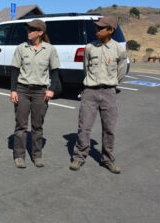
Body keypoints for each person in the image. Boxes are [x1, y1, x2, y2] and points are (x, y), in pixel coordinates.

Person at [69, 16, 127, 174]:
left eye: (100, 28)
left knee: (109, 129)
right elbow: (85, 68)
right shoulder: (89, 47)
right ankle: (79, 157)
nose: (97, 31)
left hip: (109, 92)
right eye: (96, 28)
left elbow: (121, 71)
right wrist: (92, 83)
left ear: (111, 30)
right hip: (90, 92)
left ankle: (107, 159)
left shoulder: (119, 49)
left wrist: (111, 82)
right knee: (84, 127)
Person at [10, 19, 61, 168]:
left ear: (40, 32)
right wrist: (13, 90)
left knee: (37, 126)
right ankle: (19, 155)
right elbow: (15, 70)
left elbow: (55, 71)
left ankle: (37, 155)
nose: (28, 32)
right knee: (21, 125)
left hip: (40, 92)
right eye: (28, 29)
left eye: (32, 30)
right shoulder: (21, 48)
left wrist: (52, 89)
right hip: (22, 89)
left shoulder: (50, 50)